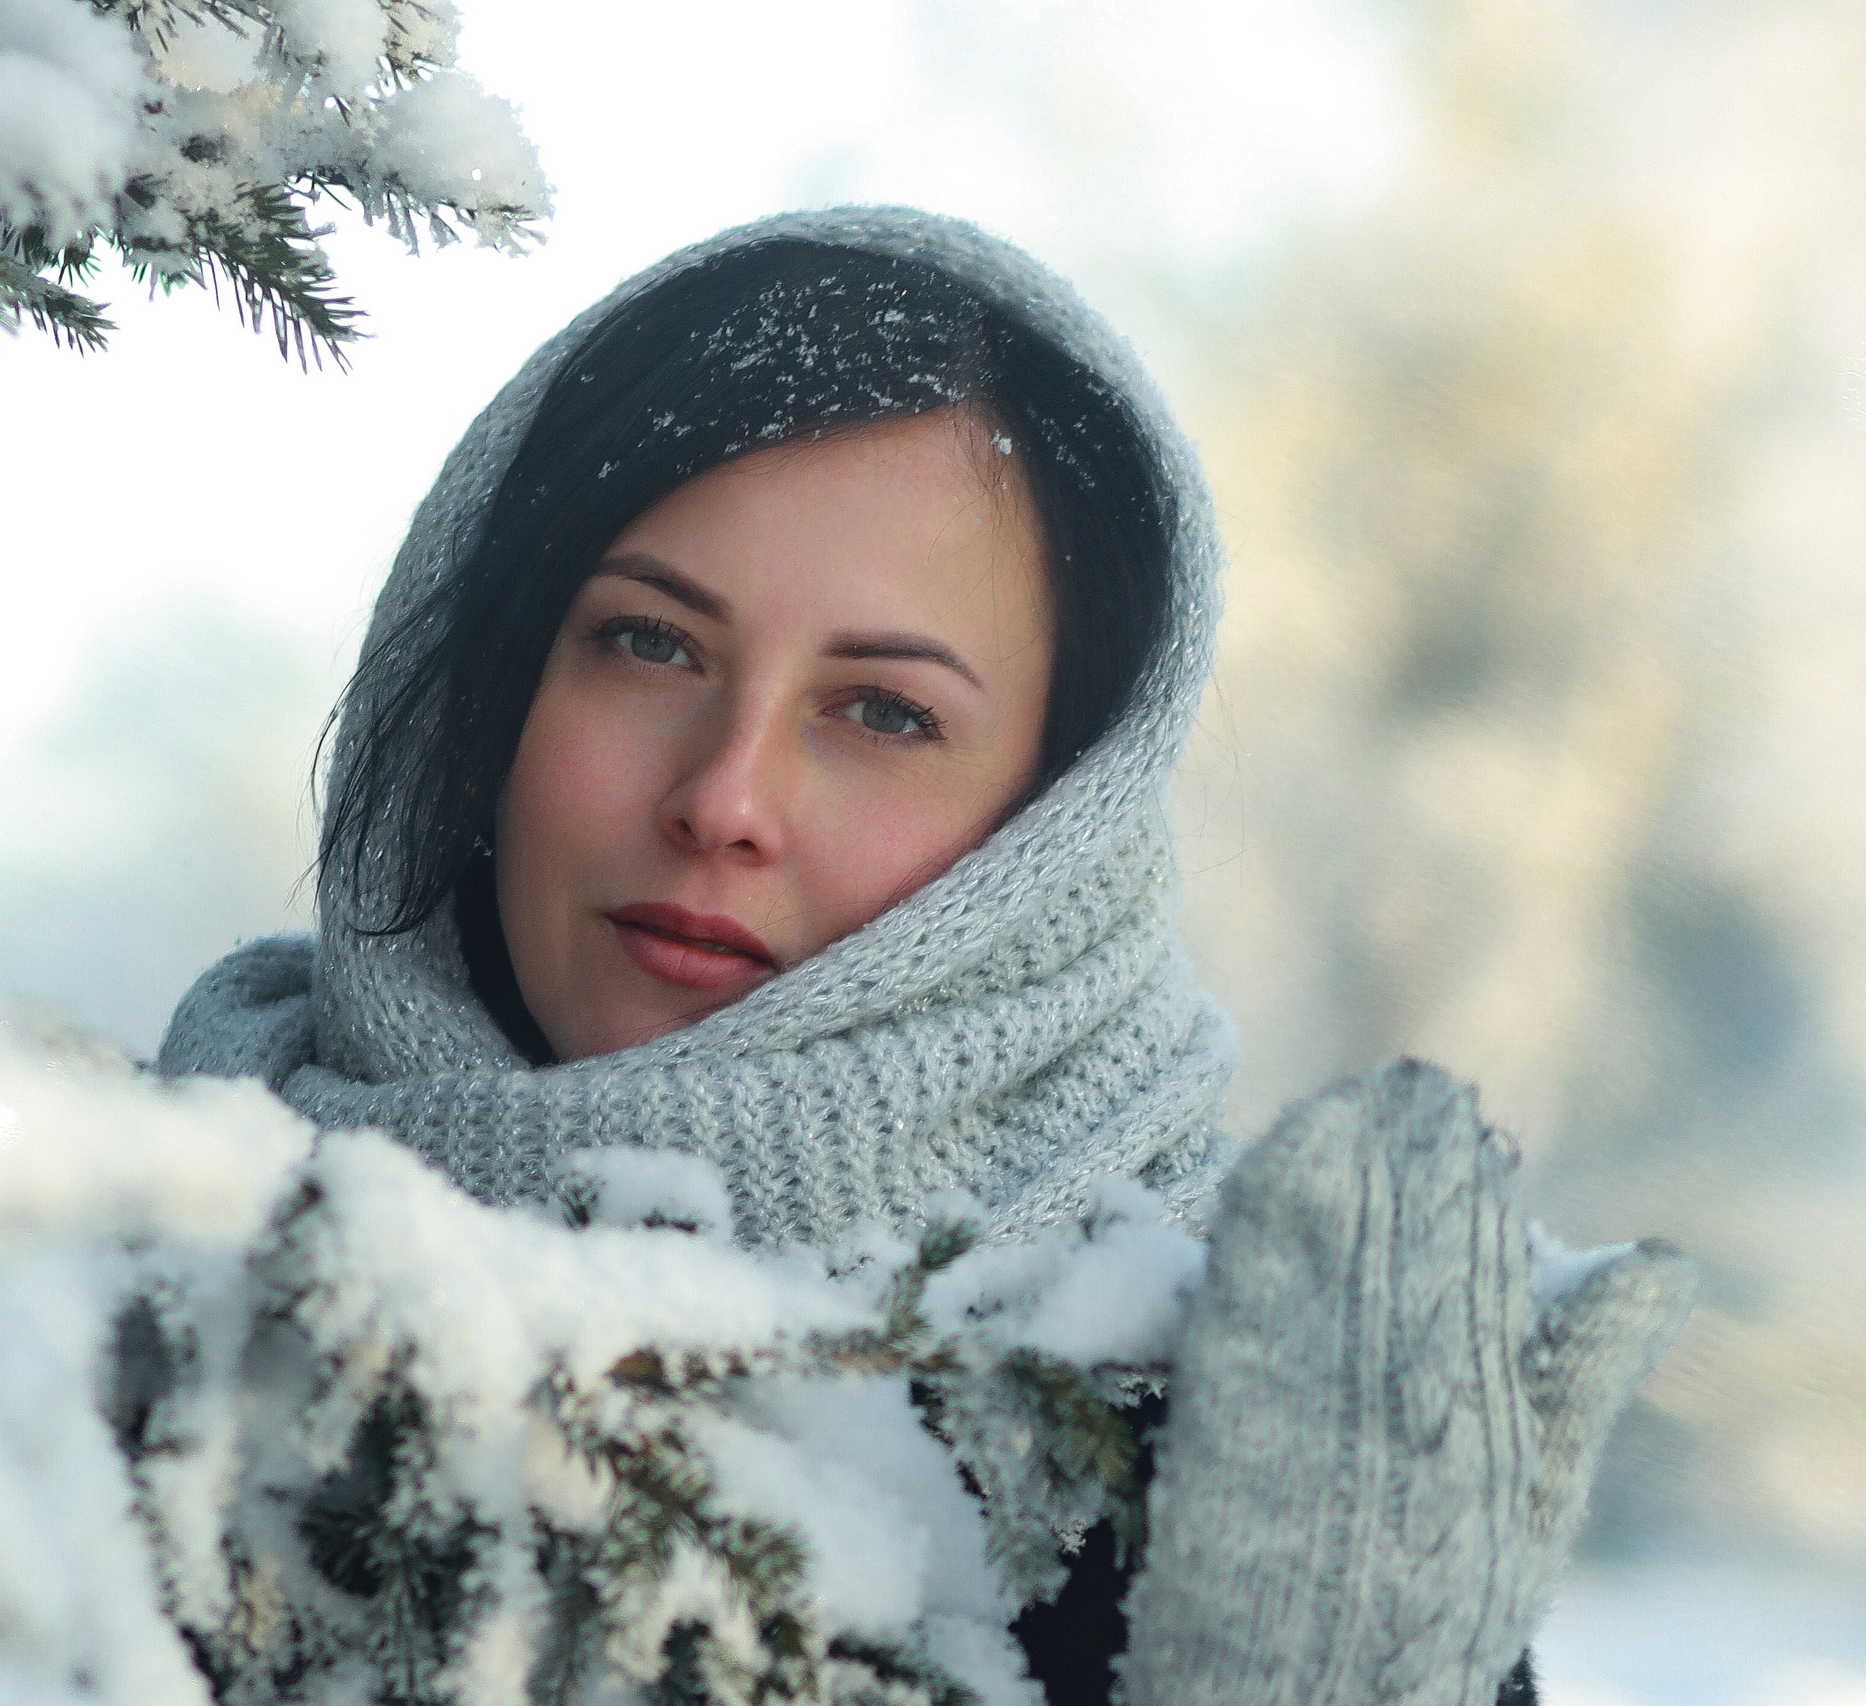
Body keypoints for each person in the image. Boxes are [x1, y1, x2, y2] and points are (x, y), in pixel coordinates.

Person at [159, 209, 1690, 1705]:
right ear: (488, 678)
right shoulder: (131, 1285)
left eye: (884, 712)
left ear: (1052, 825)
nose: (726, 798)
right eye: (651, 642)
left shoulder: (1228, 1446)